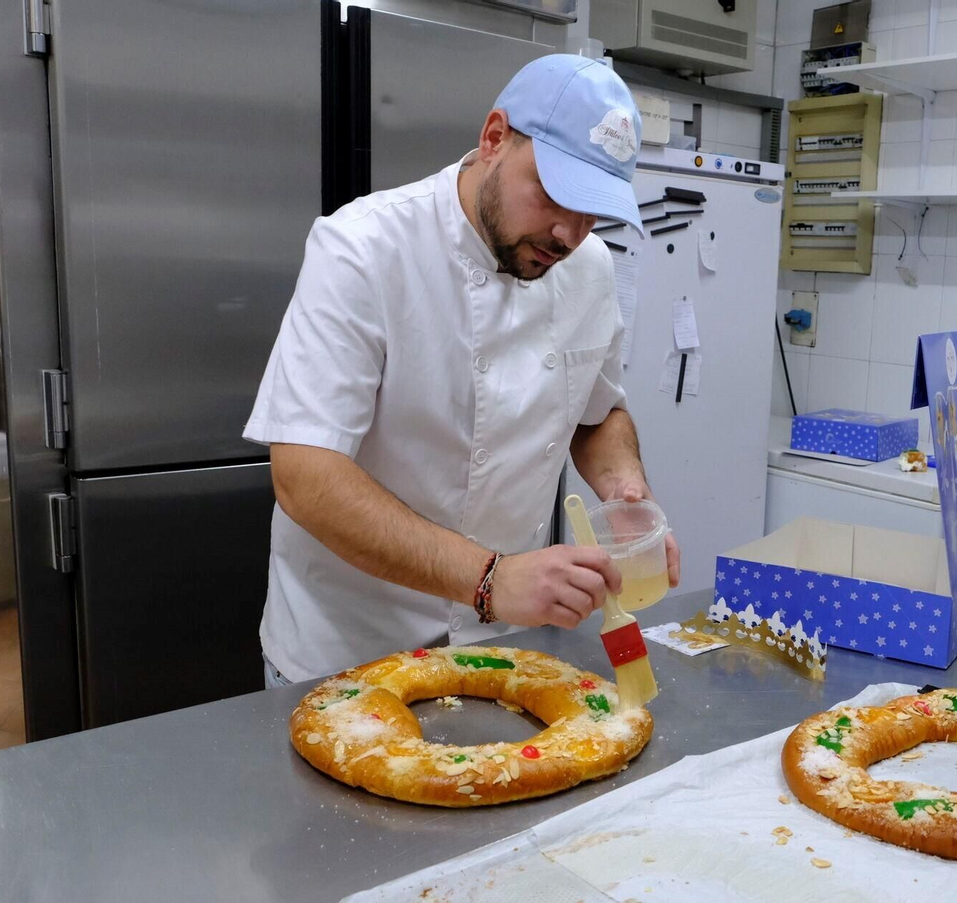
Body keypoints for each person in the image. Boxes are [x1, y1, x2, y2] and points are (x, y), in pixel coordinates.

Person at [245, 55, 679, 686]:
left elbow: (598, 409)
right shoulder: (363, 248)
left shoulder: (589, 269)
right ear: (495, 137)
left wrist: (625, 488)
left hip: (502, 647)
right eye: (557, 194)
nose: (568, 233)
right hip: (346, 652)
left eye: (594, 214)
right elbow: (305, 475)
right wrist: (491, 578)